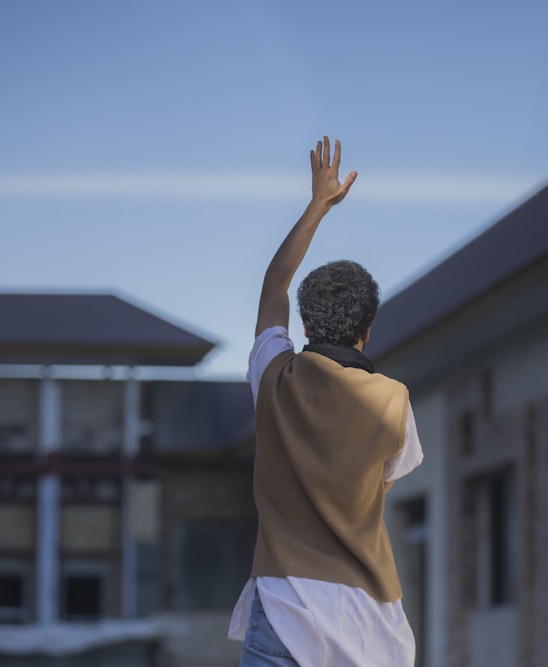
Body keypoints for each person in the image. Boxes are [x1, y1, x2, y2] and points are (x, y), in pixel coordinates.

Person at [228, 137, 424, 666]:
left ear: (307, 324)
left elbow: (274, 286)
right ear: (369, 328)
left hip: (285, 609)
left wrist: (317, 204)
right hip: (370, 624)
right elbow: (383, 475)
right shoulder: (394, 402)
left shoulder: (274, 378)